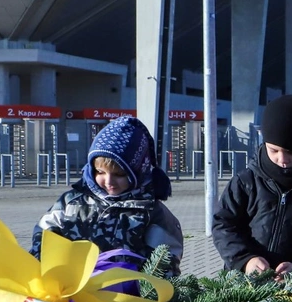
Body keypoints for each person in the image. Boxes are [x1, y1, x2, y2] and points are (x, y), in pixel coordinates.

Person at [32, 115, 183, 273]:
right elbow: (44, 235)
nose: (109, 181)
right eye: (100, 172)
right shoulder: (71, 203)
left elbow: (165, 263)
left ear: (138, 172)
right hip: (70, 291)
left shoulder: (152, 212)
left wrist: (146, 291)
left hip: (127, 294)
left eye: (119, 174)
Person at [212, 95, 292, 276]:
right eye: (274, 150)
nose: (282, 159)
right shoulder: (245, 182)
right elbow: (223, 225)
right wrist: (245, 260)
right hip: (244, 281)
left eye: (291, 152)